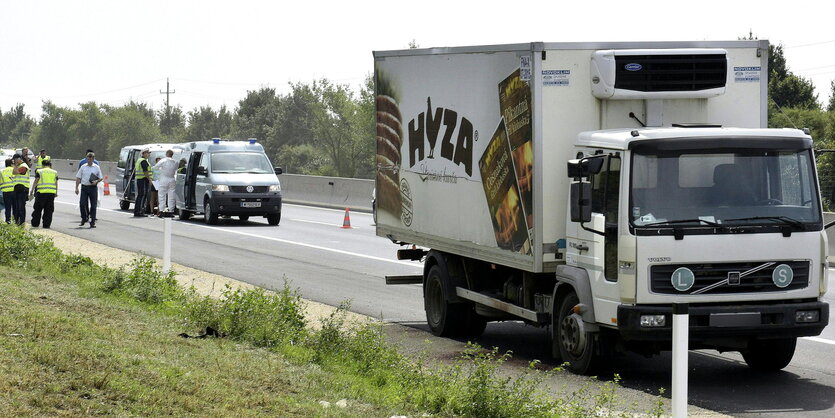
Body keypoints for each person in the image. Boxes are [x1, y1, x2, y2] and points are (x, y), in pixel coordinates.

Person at [75, 152, 103, 228]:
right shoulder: (83, 167)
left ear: (93, 159)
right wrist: (76, 188)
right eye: (88, 158)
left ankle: (92, 222)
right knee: (82, 204)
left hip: (93, 188)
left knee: (93, 206)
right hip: (84, 187)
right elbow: (78, 177)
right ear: (86, 158)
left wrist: (96, 181)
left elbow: (101, 177)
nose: (89, 159)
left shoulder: (96, 167)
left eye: (91, 158)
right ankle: (84, 218)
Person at [30, 159, 57, 228]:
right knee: (49, 210)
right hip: (51, 193)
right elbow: (56, 183)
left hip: (41, 193)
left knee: (38, 209)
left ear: (42, 165)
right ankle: (46, 225)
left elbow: (36, 181)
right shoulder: (54, 172)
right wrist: (56, 192)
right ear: (50, 165)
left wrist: (32, 190)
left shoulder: (39, 171)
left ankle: (35, 224)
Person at [11, 154, 29, 225]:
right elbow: (14, 173)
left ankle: (22, 222)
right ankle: (17, 221)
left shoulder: (24, 166)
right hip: (18, 189)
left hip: (23, 189)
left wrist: (15, 165)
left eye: (15, 160)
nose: (14, 161)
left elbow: (15, 172)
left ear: (18, 159)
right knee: (17, 207)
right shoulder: (19, 166)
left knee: (21, 207)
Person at [133, 148, 152, 217]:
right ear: (143, 153)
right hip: (143, 180)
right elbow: (145, 172)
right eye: (147, 153)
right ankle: (139, 211)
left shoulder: (139, 160)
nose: (149, 154)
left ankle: (137, 211)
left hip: (140, 180)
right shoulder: (143, 161)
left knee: (140, 195)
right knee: (142, 195)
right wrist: (149, 179)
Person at [0, 159, 15, 224]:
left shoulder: (2, 171)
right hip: (14, 191)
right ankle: (15, 221)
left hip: (6, 191)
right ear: (12, 163)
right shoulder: (15, 170)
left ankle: (8, 221)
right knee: (15, 207)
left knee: (7, 207)